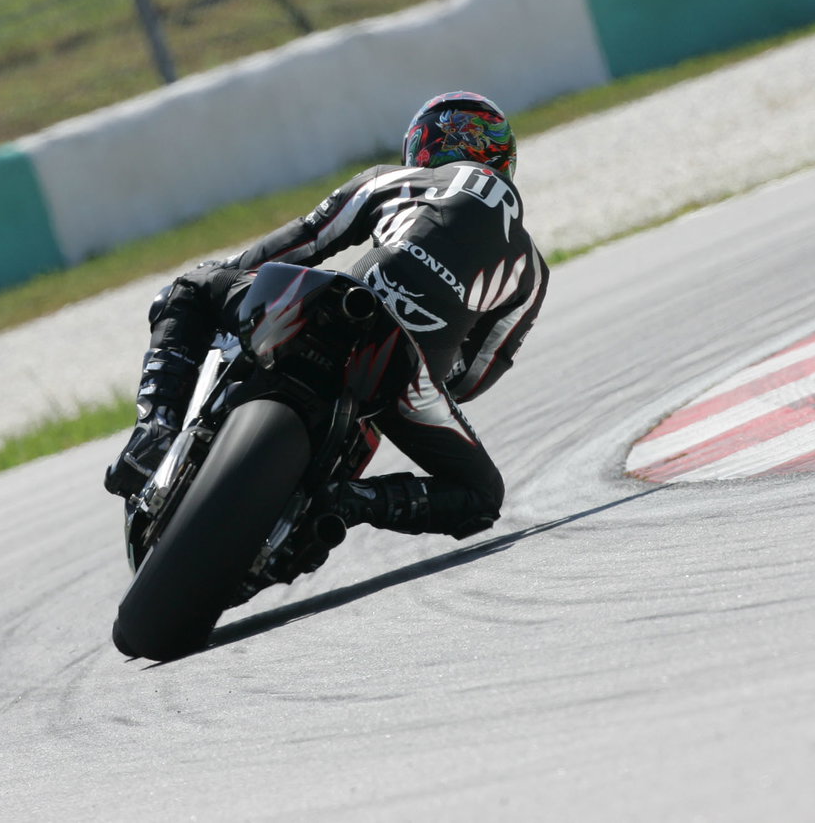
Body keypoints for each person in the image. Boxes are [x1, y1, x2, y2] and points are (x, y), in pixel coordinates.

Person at [103, 91, 549, 540]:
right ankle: (346, 501)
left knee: (190, 289)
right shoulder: (532, 271)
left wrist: (224, 275)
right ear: (505, 156)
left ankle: (154, 431)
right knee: (482, 495)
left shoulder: (391, 180)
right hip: (406, 379)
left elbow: (302, 242)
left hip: (333, 310)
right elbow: (473, 376)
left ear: (424, 145)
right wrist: (415, 372)